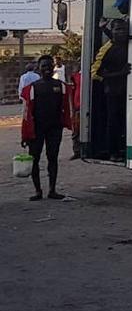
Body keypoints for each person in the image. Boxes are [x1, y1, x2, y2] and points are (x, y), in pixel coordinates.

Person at [19, 55, 76, 201]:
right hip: (36, 129)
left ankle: (52, 190)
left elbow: (68, 106)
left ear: (53, 67)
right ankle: (38, 191)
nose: (47, 68)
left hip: (54, 128)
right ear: (38, 68)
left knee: (53, 158)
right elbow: (26, 114)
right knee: (34, 159)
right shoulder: (32, 88)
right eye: (44, 66)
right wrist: (25, 135)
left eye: (49, 65)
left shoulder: (61, 86)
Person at [91, 20, 131, 161]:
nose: (121, 32)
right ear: (113, 31)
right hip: (113, 91)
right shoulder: (106, 49)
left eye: (124, 29)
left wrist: (105, 29)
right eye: (118, 29)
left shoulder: (128, 43)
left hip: (127, 91)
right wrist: (121, 73)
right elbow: (95, 73)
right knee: (113, 122)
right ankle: (113, 152)